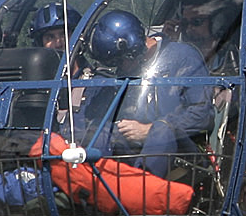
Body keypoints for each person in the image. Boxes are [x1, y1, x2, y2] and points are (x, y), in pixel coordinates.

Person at [89, 9, 213, 179]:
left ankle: (142, 193)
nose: (121, 68)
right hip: (137, 149)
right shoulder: (126, 69)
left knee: (162, 132)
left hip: (181, 150)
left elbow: (202, 114)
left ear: (136, 47)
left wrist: (150, 130)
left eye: (122, 60)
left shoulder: (184, 57)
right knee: (103, 130)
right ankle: (93, 185)